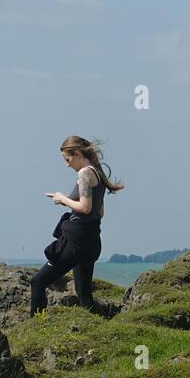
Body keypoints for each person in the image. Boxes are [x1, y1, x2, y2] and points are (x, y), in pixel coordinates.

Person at [31, 135, 126, 315]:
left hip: (76, 241)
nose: (67, 165)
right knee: (84, 294)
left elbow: (85, 207)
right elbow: (100, 212)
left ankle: (36, 324)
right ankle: (97, 332)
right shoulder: (97, 172)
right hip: (91, 241)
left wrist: (63, 199)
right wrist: (65, 200)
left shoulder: (84, 173)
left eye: (67, 159)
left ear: (76, 154)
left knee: (38, 282)